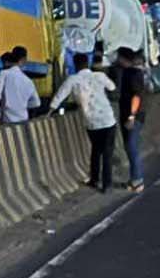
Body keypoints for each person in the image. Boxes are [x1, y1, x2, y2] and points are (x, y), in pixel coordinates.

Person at [46, 50, 119, 190]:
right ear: (88, 63)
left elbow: (59, 96)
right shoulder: (99, 76)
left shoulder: (72, 80)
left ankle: (94, 179)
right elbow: (112, 87)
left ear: (75, 64)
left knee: (96, 151)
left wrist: (50, 111)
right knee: (107, 153)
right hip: (108, 119)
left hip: (91, 122)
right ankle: (107, 184)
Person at [108, 46, 146, 192]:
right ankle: (135, 179)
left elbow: (136, 96)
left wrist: (131, 116)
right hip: (132, 115)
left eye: (118, 57)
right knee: (131, 147)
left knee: (131, 148)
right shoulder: (131, 72)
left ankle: (137, 181)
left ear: (123, 58)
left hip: (133, 116)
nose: (117, 59)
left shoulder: (132, 74)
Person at [0, 46, 36, 124]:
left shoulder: (3, 74)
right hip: (23, 120)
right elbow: (36, 103)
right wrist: (22, 106)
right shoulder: (28, 81)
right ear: (24, 60)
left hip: (7, 121)